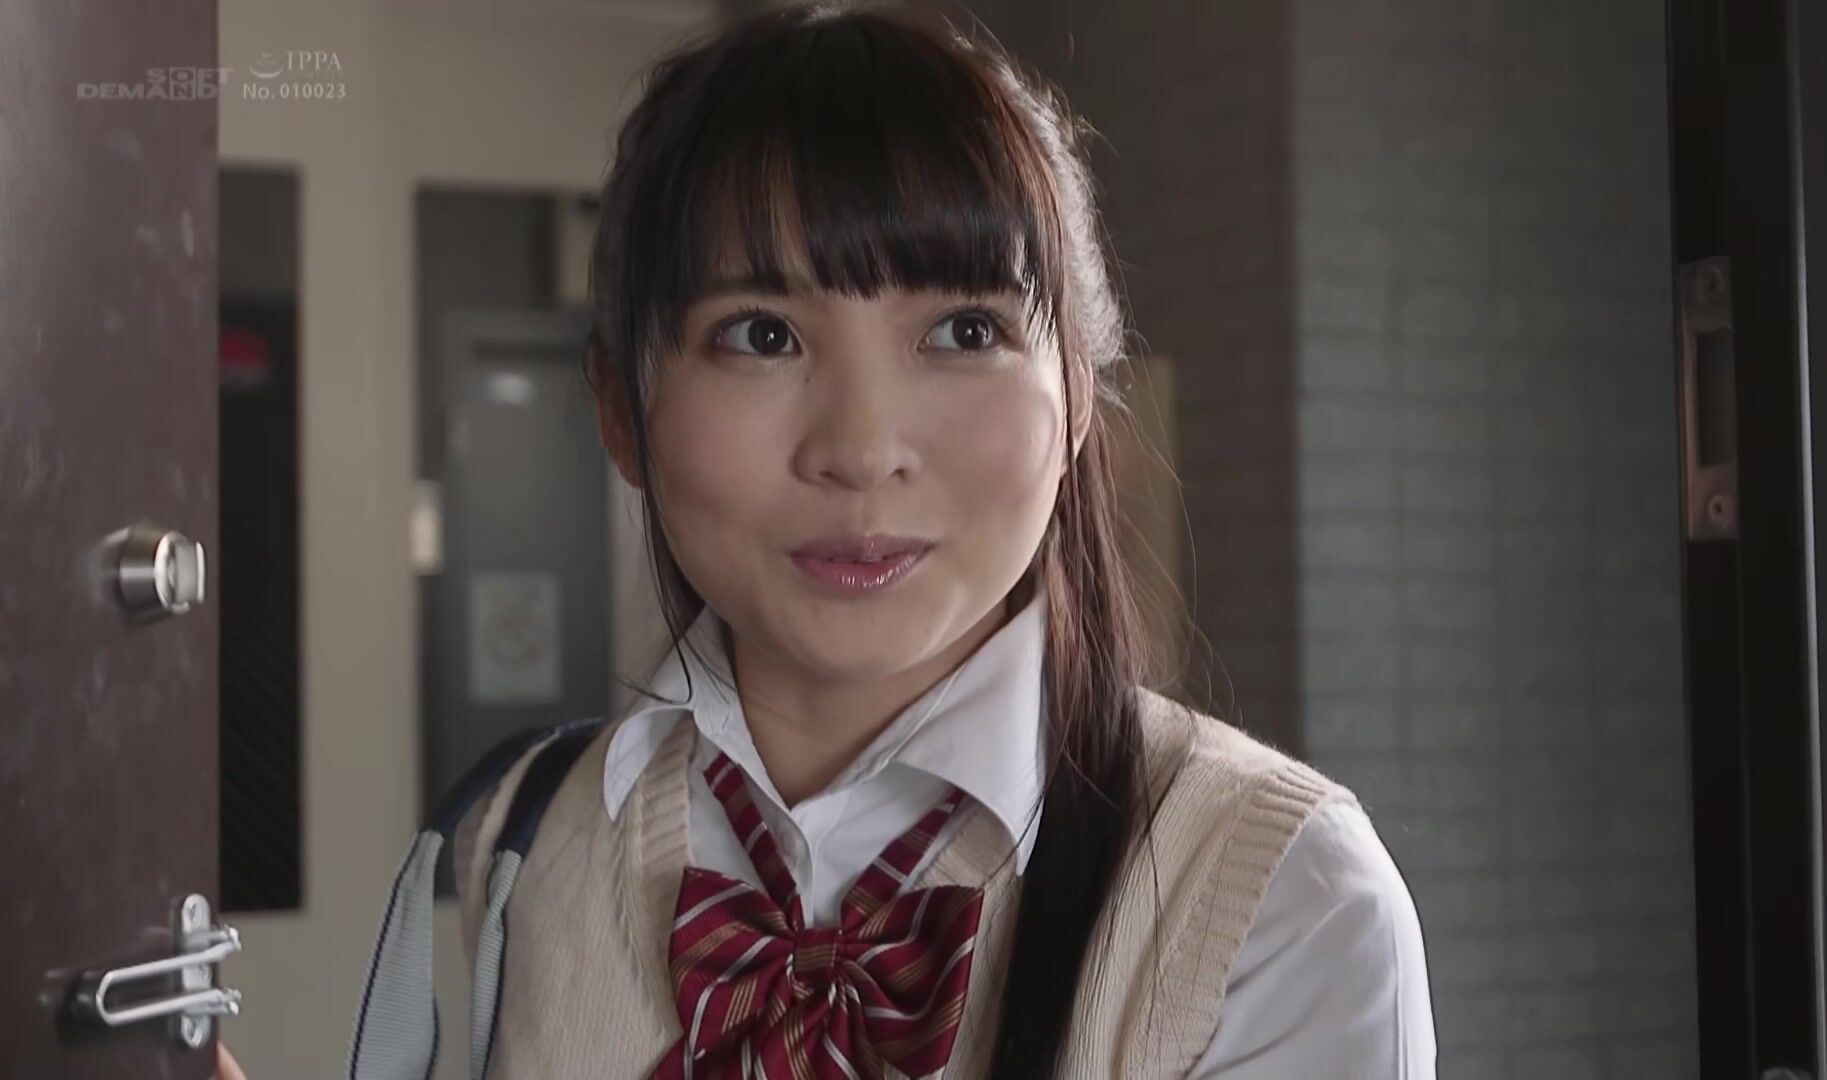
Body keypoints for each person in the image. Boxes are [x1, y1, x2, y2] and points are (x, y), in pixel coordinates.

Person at [359, 3, 1437, 1078]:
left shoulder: (1279, 900)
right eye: (761, 335)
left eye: (965, 330)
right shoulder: (524, 836)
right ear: (617, 408)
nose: (863, 451)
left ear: (1076, 397)